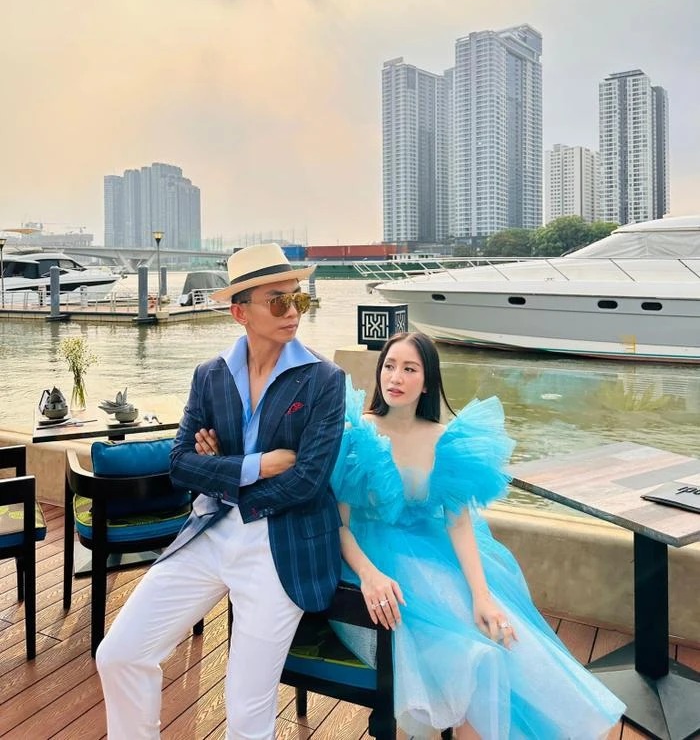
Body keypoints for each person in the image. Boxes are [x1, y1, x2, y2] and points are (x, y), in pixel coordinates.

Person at [96, 243, 346, 740]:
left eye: (298, 299)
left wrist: (221, 472)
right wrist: (256, 465)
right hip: (210, 530)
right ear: (240, 312)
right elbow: (179, 464)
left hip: (283, 543)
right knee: (120, 654)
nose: (293, 311)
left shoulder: (324, 380)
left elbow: (308, 480)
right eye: (278, 301)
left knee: (246, 705)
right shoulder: (209, 376)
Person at [331, 331, 625, 740]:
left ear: (427, 382)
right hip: (374, 565)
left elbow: (458, 523)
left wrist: (481, 595)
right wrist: (369, 574)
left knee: (501, 633)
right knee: (471, 658)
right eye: (390, 366)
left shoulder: (443, 439)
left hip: (434, 554)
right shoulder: (358, 433)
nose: (395, 377)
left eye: (410, 369)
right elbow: (339, 526)